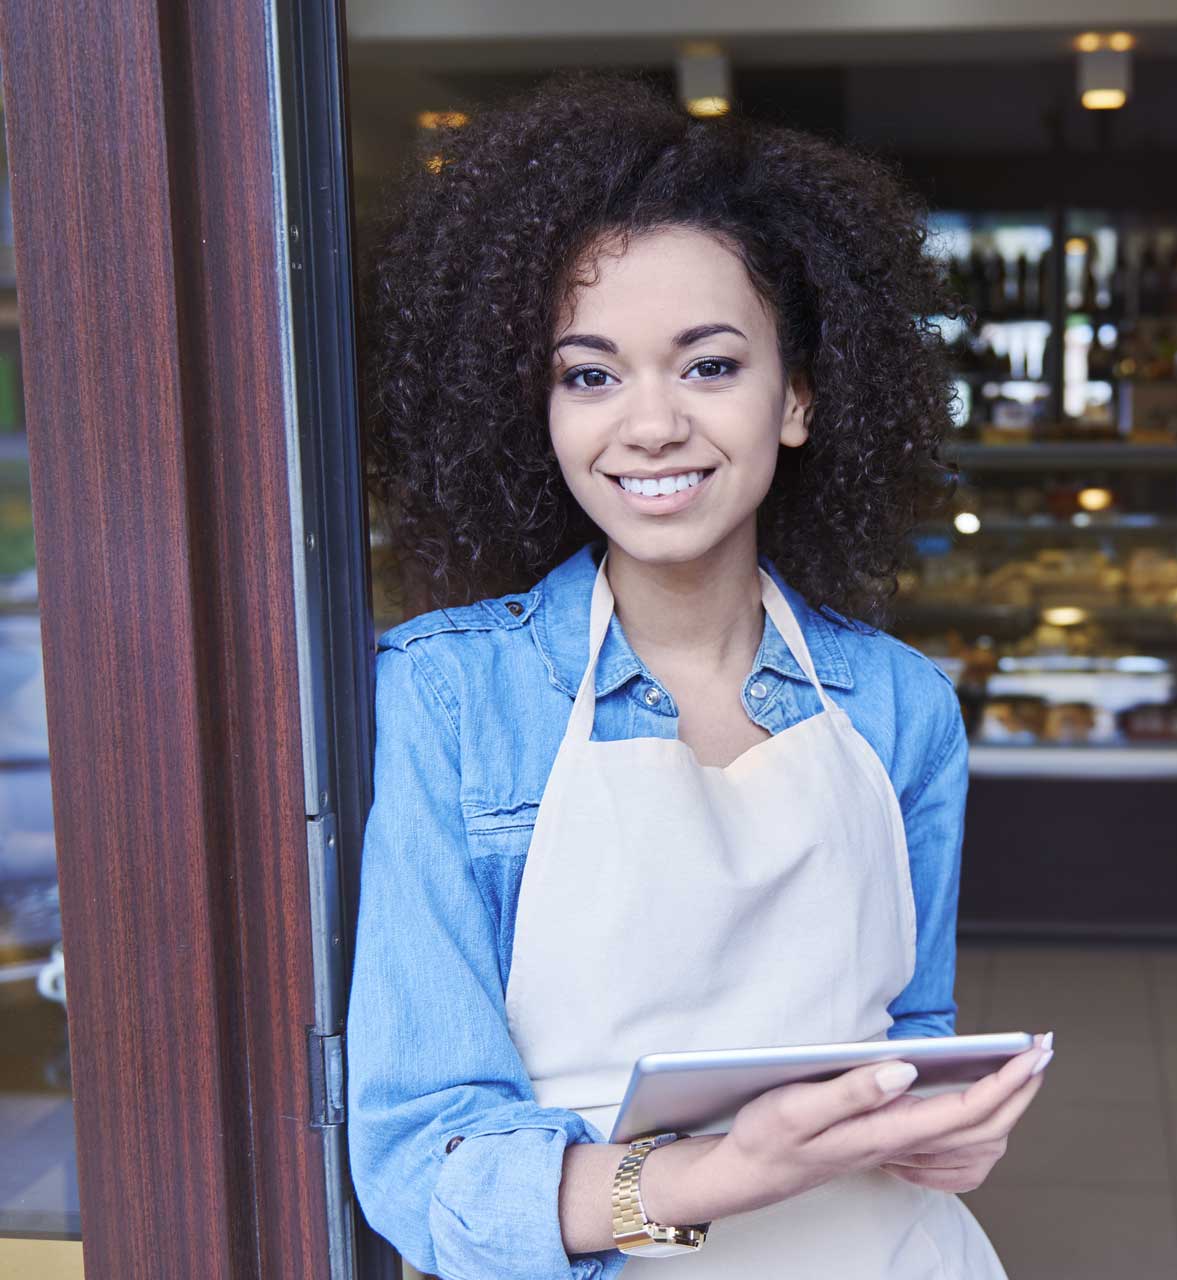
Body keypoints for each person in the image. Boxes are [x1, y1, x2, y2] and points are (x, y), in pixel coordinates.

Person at [345, 74, 1049, 1278]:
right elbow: (424, 1157)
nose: (652, 423)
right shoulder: (450, 698)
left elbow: (910, 1033)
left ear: (801, 397)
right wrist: (716, 1179)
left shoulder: (900, 705)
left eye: (710, 366)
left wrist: (945, 1126)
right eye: (591, 373)